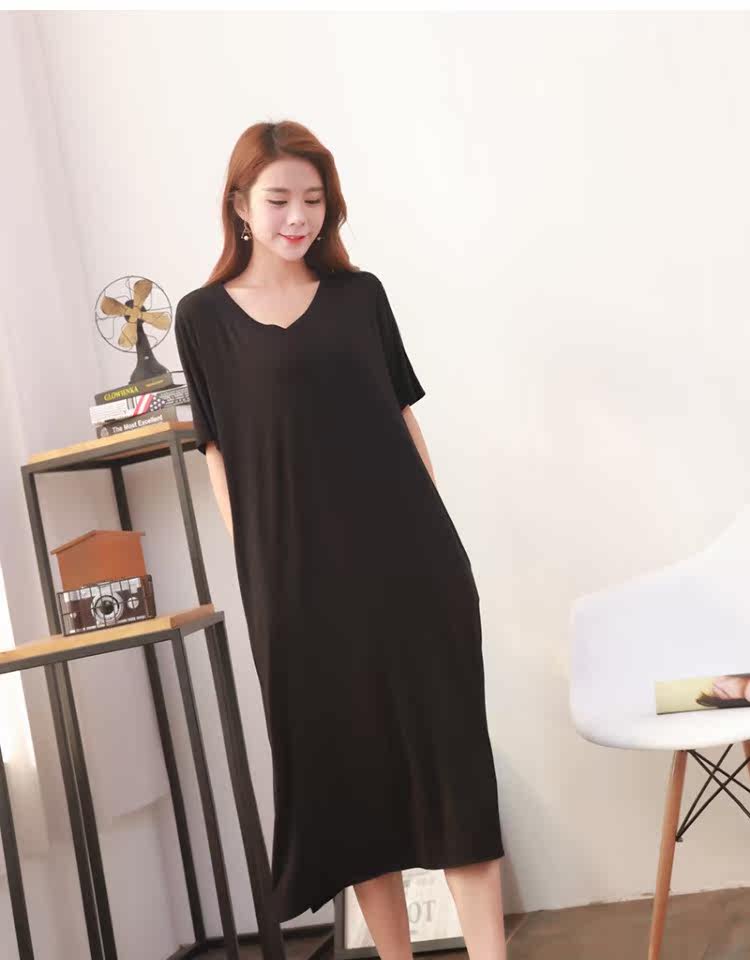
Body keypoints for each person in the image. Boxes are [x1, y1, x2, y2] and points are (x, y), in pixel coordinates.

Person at [174, 119, 507, 960]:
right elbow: (219, 457)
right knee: (352, 795)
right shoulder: (203, 319)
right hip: (299, 595)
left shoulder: (362, 297)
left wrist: (445, 550)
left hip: (412, 572)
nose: (299, 217)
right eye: (279, 199)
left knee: (456, 780)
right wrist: (264, 582)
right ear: (239, 206)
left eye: (314, 200)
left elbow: (402, 420)